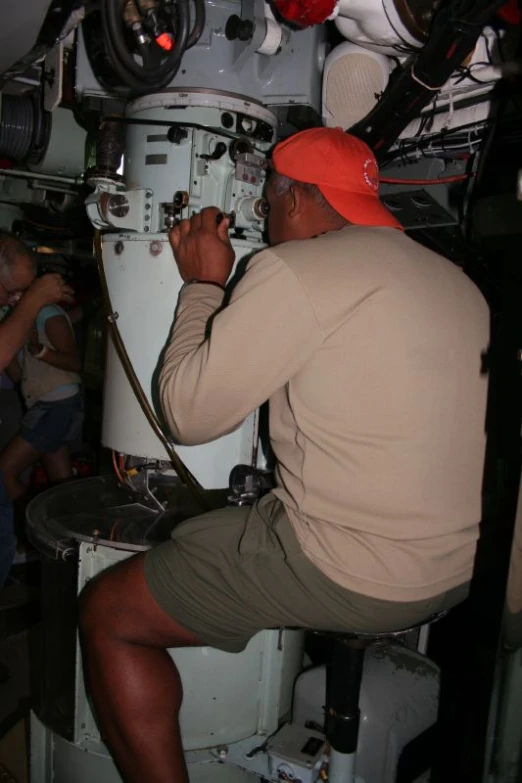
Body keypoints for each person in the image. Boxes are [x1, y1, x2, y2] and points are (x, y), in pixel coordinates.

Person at [79, 129, 490, 783]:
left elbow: (187, 413)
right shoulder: (457, 282)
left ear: (295, 199)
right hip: (468, 569)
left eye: (267, 208)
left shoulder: (296, 269)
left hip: (361, 572)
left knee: (108, 614)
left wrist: (204, 284)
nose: (265, 226)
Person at [0, 232, 73, 682]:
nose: (14, 298)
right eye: (11, 289)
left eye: (20, 292)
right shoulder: (28, 308)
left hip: (53, 404)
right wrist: (35, 299)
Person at [0, 299, 84, 502]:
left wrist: (39, 349)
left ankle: (35, 525)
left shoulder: (47, 313)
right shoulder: (12, 318)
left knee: (4, 473)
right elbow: (18, 377)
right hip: (42, 404)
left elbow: (74, 363)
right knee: (61, 483)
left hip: (58, 404)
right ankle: (62, 529)